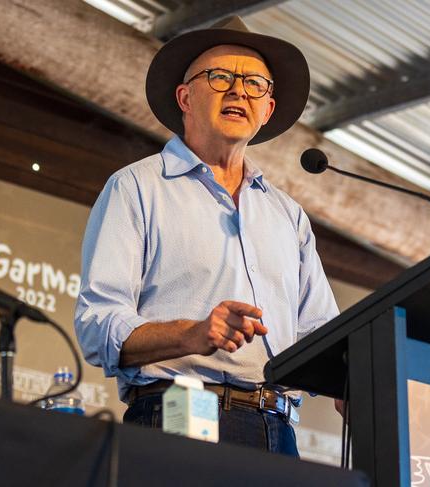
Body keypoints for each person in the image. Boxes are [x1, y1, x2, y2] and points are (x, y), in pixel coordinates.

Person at [75, 16, 339, 456]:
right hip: (180, 412)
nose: (238, 91)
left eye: (255, 84)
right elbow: (96, 324)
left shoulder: (287, 216)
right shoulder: (137, 187)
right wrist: (192, 334)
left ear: (267, 110)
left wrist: (351, 378)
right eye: (220, 77)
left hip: (278, 430)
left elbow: (322, 333)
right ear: (185, 97)